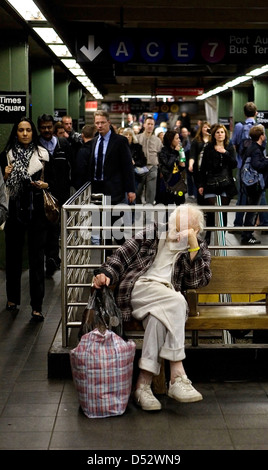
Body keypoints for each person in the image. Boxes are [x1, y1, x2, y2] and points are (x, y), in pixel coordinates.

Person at [93, 203, 212, 411]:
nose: (179, 234)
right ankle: (177, 374)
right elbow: (121, 255)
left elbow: (196, 282)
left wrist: (193, 246)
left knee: (158, 320)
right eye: (177, 228)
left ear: (196, 232)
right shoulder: (153, 233)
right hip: (140, 289)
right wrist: (106, 273)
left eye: (186, 231)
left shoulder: (197, 249)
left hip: (163, 300)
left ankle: (143, 386)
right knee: (177, 301)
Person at [0, 117, 54, 321]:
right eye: (21, 130)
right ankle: (12, 299)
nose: (24, 134)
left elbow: (55, 182)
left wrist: (45, 185)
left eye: (28, 130)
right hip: (14, 214)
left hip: (37, 214)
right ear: (16, 132)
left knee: (36, 260)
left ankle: (37, 306)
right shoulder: (6, 156)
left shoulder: (43, 154)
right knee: (13, 259)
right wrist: (4, 177)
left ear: (33, 133)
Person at [89, 110, 136, 246]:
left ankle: (122, 249)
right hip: (97, 187)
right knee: (102, 224)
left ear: (109, 122)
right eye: (97, 123)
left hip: (115, 188)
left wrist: (130, 189)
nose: (99, 125)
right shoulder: (94, 141)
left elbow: (127, 166)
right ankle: (109, 255)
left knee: (113, 223)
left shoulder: (120, 141)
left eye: (102, 122)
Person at [37, 113, 72, 277]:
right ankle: (49, 258)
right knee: (42, 229)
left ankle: (52, 259)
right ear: (39, 128)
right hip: (40, 195)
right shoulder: (34, 145)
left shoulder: (63, 144)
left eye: (49, 127)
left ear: (54, 127)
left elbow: (71, 167)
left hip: (60, 195)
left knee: (55, 228)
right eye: (43, 127)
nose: (46, 130)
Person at [198, 124, 237, 244]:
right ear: (214, 135)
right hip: (210, 182)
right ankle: (208, 236)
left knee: (223, 212)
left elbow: (234, 164)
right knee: (211, 212)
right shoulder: (209, 148)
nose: (220, 134)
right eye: (218, 132)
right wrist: (201, 184)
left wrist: (225, 153)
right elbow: (203, 167)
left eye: (222, 132)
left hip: (226, 183)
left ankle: (221, 236)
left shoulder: (229, 147)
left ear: (225, 134)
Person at [240, 125, 268, 245]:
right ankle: (247, 236)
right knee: (253, 211)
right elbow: (258, 165)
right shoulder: (256, 149)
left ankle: (246, 234)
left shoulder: (251, 147)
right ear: (261, 136)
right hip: (254, 185)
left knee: (251, 209)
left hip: (249, 184)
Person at [136, 115, 163, 204]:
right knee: (137, 192)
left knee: (151, 194)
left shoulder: (157, 140)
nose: (150, 126)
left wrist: (161, 169)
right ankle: (138, 213)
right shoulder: (137, 138)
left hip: (152, 168)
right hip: (139, 168)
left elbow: (161, 155)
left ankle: (148, 216)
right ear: (144, 125)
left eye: (152, 124)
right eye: (148, 124)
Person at [157, 130, 186, 206]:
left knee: (180, 205)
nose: (179, 140)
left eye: (179, 138)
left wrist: (181, 155)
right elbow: (168, 164)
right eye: (177, 138)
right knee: (168, 207)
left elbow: (182, 167)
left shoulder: (178, 150)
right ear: (171, 140)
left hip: (178, 180)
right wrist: (175, 152)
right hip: (168, 181)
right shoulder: (163, 151)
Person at [188, 121, 211, 204]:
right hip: (199, 168)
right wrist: (191, 164)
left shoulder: (213, 140)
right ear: (201, 129)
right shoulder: (196, 141)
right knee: (200, 189)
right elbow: (192, 155)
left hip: (210, 168)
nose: (206, 129)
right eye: (204, 127)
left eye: (208, 127)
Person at [74, 124, 96, 190]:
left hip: (85, 187)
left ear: (82, 135)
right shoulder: (98, 149)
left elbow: (80, 170)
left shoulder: (82, 151)